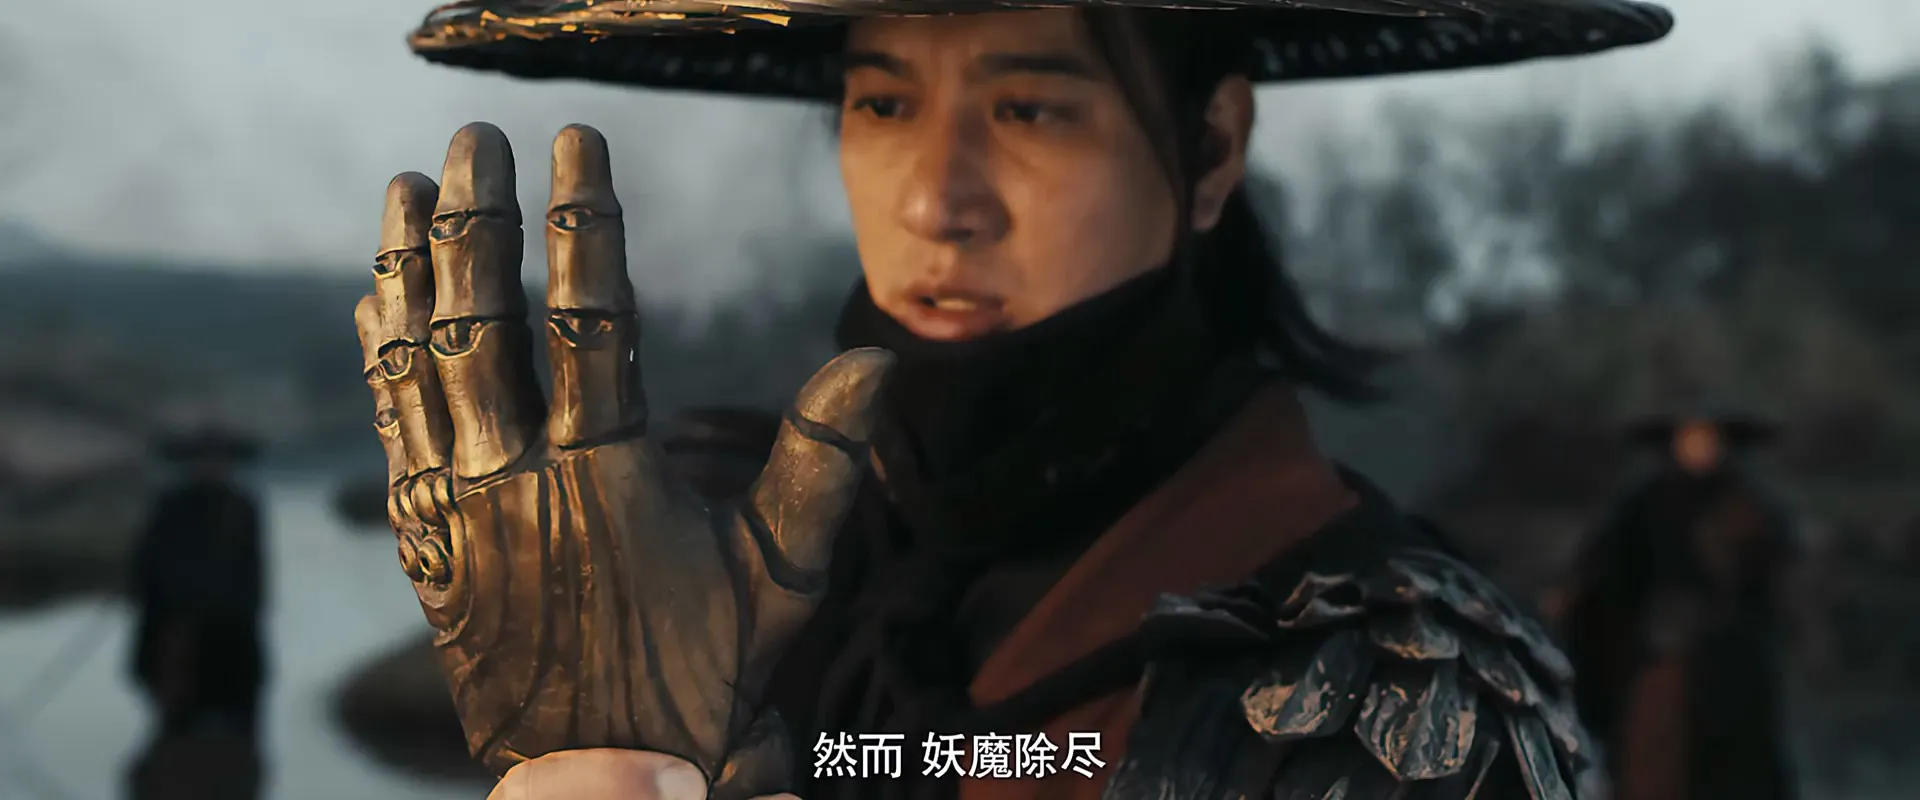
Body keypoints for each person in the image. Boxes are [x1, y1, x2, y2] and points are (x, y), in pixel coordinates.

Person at [351, 2, 1675, 799]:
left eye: (1032, 110)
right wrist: (600, 761)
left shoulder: (1399, 689)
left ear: (1211, 148)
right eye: (883, 103)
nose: (939, 201)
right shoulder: (712, 556)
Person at [1554, 411, 1803, 800]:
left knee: (1740, 772)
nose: (1700, 448)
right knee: (1657, 767)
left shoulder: (1747, 505)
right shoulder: (1644, 504)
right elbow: (1609, 579)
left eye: (1708, 439)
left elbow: (1775, 578)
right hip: (1662, 662)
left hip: (1734, 665)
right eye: (1691, 438)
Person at [125, 427, 268, 799]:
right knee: (178, 728)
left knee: (230, 732)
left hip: (231, 640)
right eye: (204, 458)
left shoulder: (242, 508)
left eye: (218, 458)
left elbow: (252, 579)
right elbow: (149, 569)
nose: (211, 466)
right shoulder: (169, 508)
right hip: (177, 642)